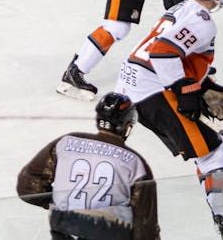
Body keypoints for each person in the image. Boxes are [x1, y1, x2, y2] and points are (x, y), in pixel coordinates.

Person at [115, 0, 223, 239]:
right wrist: (185, 91)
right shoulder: (202, 21)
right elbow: (163, 53)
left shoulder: (179, 8)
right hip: (151, 92)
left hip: (136, 87)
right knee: (213, 152)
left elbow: (174, 55)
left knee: (204, 151)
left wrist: (200, 86)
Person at [18, 93, 161, 240]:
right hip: (110, 232)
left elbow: (28, 187)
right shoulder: (135, 163)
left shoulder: (66, 142)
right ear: (127, 125)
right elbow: (145, 224)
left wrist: (61, 203)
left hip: (65, 226)